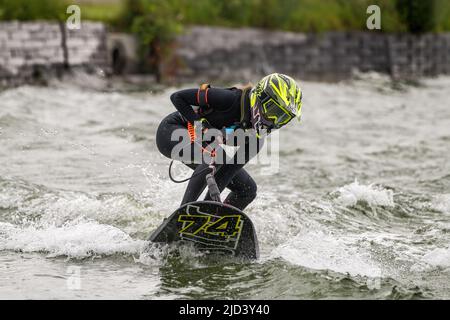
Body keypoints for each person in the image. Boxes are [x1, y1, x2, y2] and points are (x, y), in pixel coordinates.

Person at [156, 73, 303, 211]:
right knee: (216, 156)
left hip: (206, 150)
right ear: (260, 97)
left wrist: (208, 210)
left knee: (248, 189)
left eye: (283, 118)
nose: (275, 121)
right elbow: (177, 97)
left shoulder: (256, 141)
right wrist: (201, 126)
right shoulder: (229, 99)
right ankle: (184, 212)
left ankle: (214, 222)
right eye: (275, 112)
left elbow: (225, 175)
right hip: (172, 132)